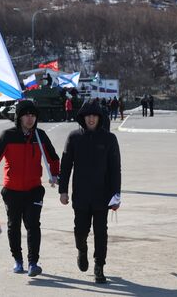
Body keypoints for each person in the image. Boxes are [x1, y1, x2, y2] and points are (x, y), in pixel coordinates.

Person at [0, 100, 60, 277]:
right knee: (14, 226)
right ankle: (18, 260)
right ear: (19, 117)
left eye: (33, 115)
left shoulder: (39, 136)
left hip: (34, 189)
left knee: (33, 225)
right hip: (12, 190)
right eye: (26, 114)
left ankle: (33, 262)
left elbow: (53, 158)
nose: (30, 118)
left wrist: (55, 174)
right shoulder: (7, 136)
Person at [59, 100, 121, 284]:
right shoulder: (74, 137)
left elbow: (115, 169)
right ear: (83, 118)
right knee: (80, 231)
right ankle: (82, 250)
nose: (91, 119)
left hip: (102, 196)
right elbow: (66, 166)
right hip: (81, 195)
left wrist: (116, 194)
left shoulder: (109, 139)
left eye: (94, 115)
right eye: (88, 115)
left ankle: (99, 266)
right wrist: (63, 191)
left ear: (100, 118)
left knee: (101, 232)